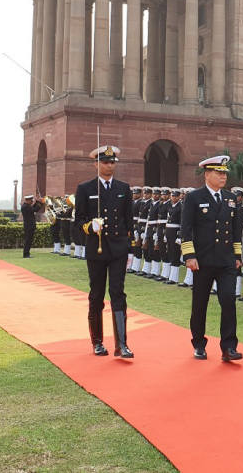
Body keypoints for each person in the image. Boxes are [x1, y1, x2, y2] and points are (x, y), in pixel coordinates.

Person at [73, 145, 134, 358]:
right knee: (97, 295)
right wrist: (90, 227)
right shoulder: (85, 189)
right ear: (96, 164)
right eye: (106, 162)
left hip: (118, 249)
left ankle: (122, 344)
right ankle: (97, 342)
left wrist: (131, 248)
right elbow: (78, 220)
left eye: (112, 162)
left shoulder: (123, 188)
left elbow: (129, 220)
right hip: (96, 249)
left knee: (118, 293)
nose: (110, 165)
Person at [181, 155, 243, 362]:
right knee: (200, 303)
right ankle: (199, 343)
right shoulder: (194, 198)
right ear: (207, 174)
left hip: (226, 261)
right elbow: (186, 229)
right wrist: (189, 255)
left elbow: (236, 230)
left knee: (228, 300)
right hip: (203, 260)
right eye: (219, 173)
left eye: (225, 173)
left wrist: (237, 255)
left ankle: (229, 347)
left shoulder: (231, 198)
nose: (223, 176)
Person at [164, 189, 183, 285]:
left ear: (179, 197)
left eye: (176, 196)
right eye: (172, 196)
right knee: (170, 252)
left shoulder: (181, 206)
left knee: (175, 253)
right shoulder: (170, 205)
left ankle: (174, 278)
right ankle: (170, 276)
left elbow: (181, 222)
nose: (174, 198)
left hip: (175, 232)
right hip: (169, 231)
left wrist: (179, 236)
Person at [231, 187, 243, 298]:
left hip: (238, 237)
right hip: (228, 236)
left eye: (238, 196)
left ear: (241, 197)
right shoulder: (230, 207)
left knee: (237, 263)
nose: (236, 198)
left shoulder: (242, 209)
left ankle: (236, 290)